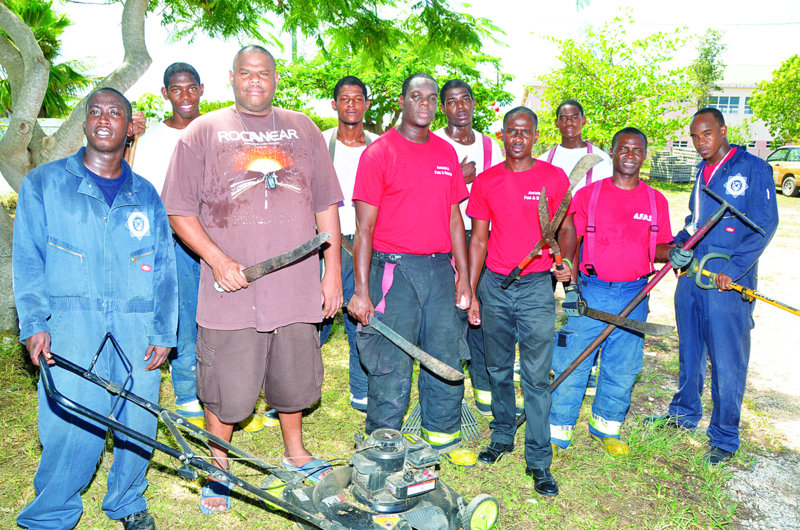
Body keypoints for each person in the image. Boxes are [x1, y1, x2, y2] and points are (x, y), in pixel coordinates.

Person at [162, 45, 343, 513]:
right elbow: (178, 210)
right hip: (231, 293)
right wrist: (218, 260)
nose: (255, 80)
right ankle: (218, 467)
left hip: (296, 288)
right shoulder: (203, 132)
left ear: (276, 77)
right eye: (246, 73)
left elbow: (327, 205)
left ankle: (296, 452)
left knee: (295, 379)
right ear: (232, 78)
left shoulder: (303, 128)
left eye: (263, 73)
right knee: (226, 387)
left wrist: (333, 273)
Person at [14, 87, 178, 530]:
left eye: (116, 113)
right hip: (70, 324)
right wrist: (33, 323)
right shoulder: (43, 184)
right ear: (85, 123)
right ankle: (51, 515)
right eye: (96, 112)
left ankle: (127, 502)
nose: (105, 119)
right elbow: (28, 262)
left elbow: (164, 269)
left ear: (129, 128)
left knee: (138, 423)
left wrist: (163, 332)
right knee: (70, 426)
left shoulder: (145, 195)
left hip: (136, 324)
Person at [348, 73, 475, 466]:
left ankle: (441, 435)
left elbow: (456, 221)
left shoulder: (445, 153)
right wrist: (362, 290)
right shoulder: (379, 153)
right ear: (402, 101)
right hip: (394, 272)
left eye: (431, 97)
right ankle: (383, 442)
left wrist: (465, 280)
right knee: (391, 360)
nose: (425, 103)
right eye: (416, 96)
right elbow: (364, 229)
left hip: (439, 270)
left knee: (445, 354)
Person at [646, 108, 779, 465]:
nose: (700, 141)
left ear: (723, 131)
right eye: (694, 136)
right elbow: (695, 221)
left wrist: (734, 270)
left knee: (726, 357)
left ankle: (724, 436)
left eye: (706, 134)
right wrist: (679, 246)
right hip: (693, 274)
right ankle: (684, 412)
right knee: (690, 348)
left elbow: (764, 225)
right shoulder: (701, 171)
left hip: (724, 279)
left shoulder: (753, 168)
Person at [466, 106, 574, 496]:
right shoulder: (487, 181)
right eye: (511, 131)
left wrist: (568, 263)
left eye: (525, 132)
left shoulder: (553, 178)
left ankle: (539, 461)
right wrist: (473, 289)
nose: (517, 138)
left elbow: (566, 228)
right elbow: (478, 239)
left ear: (535, 135)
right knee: (496, 368)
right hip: (495, 285)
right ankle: (501, 435)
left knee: (534, 376)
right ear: (502, 133)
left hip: (535, 289)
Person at [548, 127, 673, 457]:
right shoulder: (591, 195)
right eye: (623, 149)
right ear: (613, 153)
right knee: (573, 360)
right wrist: (569, 277)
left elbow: (660, 248)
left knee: (623, 365)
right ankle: (558, 431)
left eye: (637, 150)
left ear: (644, 155)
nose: (630, 155)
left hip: (635, 295)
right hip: (592, 292)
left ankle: (606, 427)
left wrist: (675, 253)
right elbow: (571, 238)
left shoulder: (655, 199)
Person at [128, 62, 215, 430]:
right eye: (176, 90)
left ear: (201, 90)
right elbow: (138, 189)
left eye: (191, 88)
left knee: (219, 317)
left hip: (215, 239)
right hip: (173, 241)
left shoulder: (216, 132)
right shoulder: (152, 141)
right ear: (165, 93)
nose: (185, 96)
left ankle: (218, 391)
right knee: (182, 316)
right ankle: (186, 393)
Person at [433, 79, 503, 417]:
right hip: (442, 240)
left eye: (465, 100)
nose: (460, 107)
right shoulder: (432, 144)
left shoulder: (492, 147)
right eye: (451, 101)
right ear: (442, 108)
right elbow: (422, 196)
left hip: (483, 240)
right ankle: (448, 387)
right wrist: (461, 179)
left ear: (474, 104)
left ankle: (485, 387)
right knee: (449, 317)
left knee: (482, 314)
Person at [318, 76, 378, 412]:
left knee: (363, 320)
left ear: (366, 105)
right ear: (335, 104)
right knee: (315, 321)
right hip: (327, 245)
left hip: (368, 246)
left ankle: (362, 391)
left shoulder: (381, 146)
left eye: (358, 99)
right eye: (344, 99)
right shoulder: (320, 144)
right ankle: (294, 391)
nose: (351, 105)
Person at [538, 99, 613, 194]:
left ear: (583, 120)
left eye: (574, 118)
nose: (569, 123)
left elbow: (608, 195)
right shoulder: (544, 160)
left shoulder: (601, 159)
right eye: (563, 118)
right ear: (557, 123)